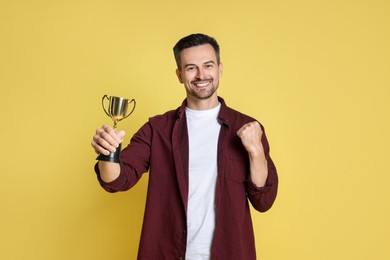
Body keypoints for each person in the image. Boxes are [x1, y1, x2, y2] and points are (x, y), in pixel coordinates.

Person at [91, 33, 278, 260]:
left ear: (220, 69)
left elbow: (264, 201)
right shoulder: (157, 129)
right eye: (191, 68)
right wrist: (109, 152)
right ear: (179, 75)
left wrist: (255, 151)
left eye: (208, 65)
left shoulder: (247, 128)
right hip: (169, 252)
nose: (201, 75)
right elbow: (118, 180)